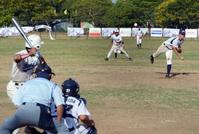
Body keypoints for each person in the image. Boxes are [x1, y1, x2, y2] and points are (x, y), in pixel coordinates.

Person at [0, 63, 67, 134]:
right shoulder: (54, 86)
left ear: (35, 74)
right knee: (62, 130)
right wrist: (59, 122)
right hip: (40, 113)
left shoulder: (27, 83)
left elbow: (16, 102)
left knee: (5, 128)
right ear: (50, 75)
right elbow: (60, 105)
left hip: (22, 111)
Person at [7, 34, 45, 101]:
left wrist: (40, 58)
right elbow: (16, 58)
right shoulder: (21, 53)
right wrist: (29, 54)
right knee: (23, 107)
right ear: (37, 45)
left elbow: (43, 64)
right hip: (15, 87)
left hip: (28, 86)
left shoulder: (37, 55)